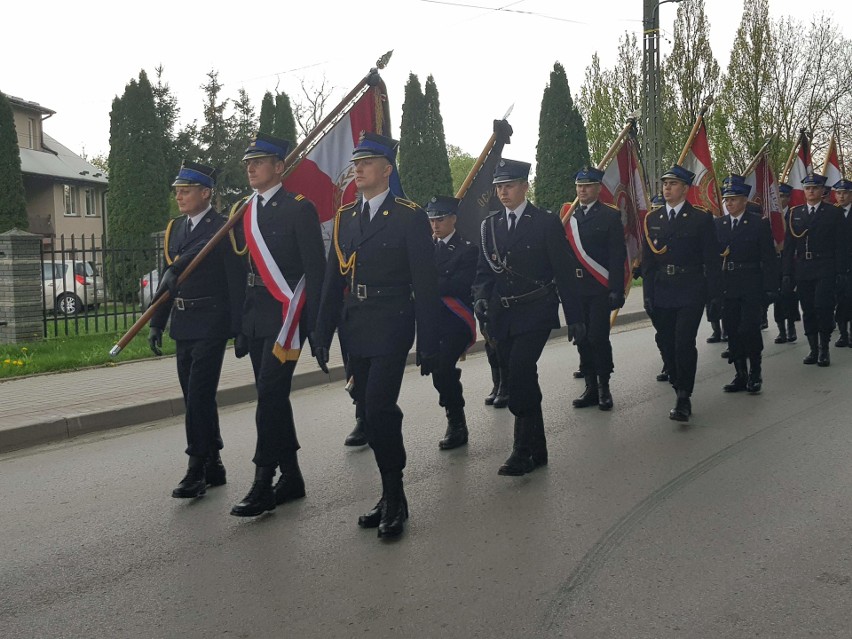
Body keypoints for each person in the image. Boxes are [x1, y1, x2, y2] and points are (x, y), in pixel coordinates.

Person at [313, 133, 440, 539]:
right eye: (356, 163)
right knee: (367, 412)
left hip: (392, 320)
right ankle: (388, 498)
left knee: (380, 406)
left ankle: (395, 496)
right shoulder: (346, 217)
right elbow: (334, 279)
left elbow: (426, 282)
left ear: (387, 169)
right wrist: (321, 332)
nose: (358, 169)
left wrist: (430, 341)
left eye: (367, 162)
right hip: (356, 324)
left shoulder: (409, 215)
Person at [228, 133, 327, 517]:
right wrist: (239, 323)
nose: (251, 168)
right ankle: (292, 476)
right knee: (273, 397)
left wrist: (318, 327)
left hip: (287, 315)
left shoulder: (299, 209)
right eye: (248, 163)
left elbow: (315, 271)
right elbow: (241, 272)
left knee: (268, 395)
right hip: (256, 314)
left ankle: (262, 481)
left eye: (259, 162)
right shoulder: (245, 210)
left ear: (280, 167)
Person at [471, 159, 585, 476]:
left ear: (524, 186)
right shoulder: (489, 226)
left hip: (536, 311)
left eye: (509, 185)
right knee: (520, 375)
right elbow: (483, 273)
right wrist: (480, 298)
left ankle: (520, 451)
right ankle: (539, 448)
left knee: (520, 372)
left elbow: (564, 271)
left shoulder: (545, 222)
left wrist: (575, 315)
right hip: (502, 314)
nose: (503, 192)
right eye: (499, 187)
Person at [148, 161, 246, 499]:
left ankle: (195, 468)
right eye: (177, 190)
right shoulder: (175, 229)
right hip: (184, 322)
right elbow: (167, 279)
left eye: (186, 190)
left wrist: (238, 327)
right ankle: (214, 460)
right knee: (194, 396)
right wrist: (157, 323)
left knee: (200, 394)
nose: (179, 196)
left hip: (212, 320)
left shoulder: (223, 227)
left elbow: (235, 280)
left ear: (206, 193)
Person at [642, 164, 721, 422]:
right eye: (665, 183)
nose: (667, 188)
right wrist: (647, 294)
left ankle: (684, 396)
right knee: (666, 342)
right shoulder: (652, 220)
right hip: (663, 288)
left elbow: (711, 259)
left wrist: (714, 295)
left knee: (683, 342)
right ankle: (678, 381)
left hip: (691, 288)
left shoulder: (700, 218)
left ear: (685, 189)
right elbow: (648, 262)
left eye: (673, 184)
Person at [564, 167, 627, 411]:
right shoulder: (568, 216)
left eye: (588, 186)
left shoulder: (609, 217)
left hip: (600, 289)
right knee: (581, 338)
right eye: (579, 186)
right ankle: (590, 386)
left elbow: (616, 256)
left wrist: (616, 289)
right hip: (576, 290)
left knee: (597, 338)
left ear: (598, 188)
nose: (582, 190)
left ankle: (603, 386)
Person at [714, 175, 778, 394]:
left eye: (733, 199)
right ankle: (740, 374)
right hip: (728, 285)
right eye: (726, 199)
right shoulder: (719, 224)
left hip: (751, 283)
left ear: (744, 200)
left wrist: (771, 287)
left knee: (749, 329)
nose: (729, 203)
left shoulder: (758, 224)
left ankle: (755, 372)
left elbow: (769, 258)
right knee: (731, 330)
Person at [426, 195, 478, 450]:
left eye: (440, 219)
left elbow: (458, 284)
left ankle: (457, 422)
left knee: (443, 367)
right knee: (437, 371)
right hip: (432, 321)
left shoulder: (467, 249)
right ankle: (451, 407)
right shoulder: (424, 247)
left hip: (456, 320)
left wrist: (426, 286)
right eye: (432, 219)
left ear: (453, 219)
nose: (435, 224)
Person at [782, 172, 846, 367]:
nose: (811, 191)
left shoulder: (833, 213)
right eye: (808, 188)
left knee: (822, 306)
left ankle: (824, 347)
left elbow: (840, 245)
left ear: (822, 191)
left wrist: (841, 271)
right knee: (808, 308)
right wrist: (786, 273)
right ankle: (813, 348)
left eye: (815, 188)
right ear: (804, 191)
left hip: (825, 266)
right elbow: (789, 246)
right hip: (803, 267)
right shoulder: (796, 213)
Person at [772, 183, 800, 344]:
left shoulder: (794, 214)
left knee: (789, 294)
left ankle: (791, 327)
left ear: (788, 198)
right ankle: (781, 329)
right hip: (776, 260)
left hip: (791, 260)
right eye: (778, 196)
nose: (780, 199)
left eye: (783, 196)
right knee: (778, 296)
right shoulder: (770, 215)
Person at [832, 179, 852, 347]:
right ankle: (843, 334)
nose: (841, 196)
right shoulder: (830, 213)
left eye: (845, 192)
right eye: (838, 193)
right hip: (837, 264)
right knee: (840, 300)